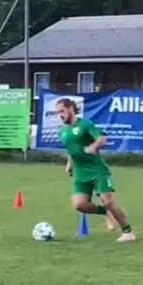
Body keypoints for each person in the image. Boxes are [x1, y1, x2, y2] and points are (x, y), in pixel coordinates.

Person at [55, 97, 136, 243]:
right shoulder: (62, 131)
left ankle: (128, 232)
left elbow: (102, 138)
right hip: (80, 172)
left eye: (62, 111)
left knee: (108, 200)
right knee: (79, 205)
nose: (60, 115)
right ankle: (106, 213)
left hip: (96, 169)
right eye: (57, 112)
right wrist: (69, 163)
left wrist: (93, 147)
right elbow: (72, 149)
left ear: (71, 108)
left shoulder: (85, 124)